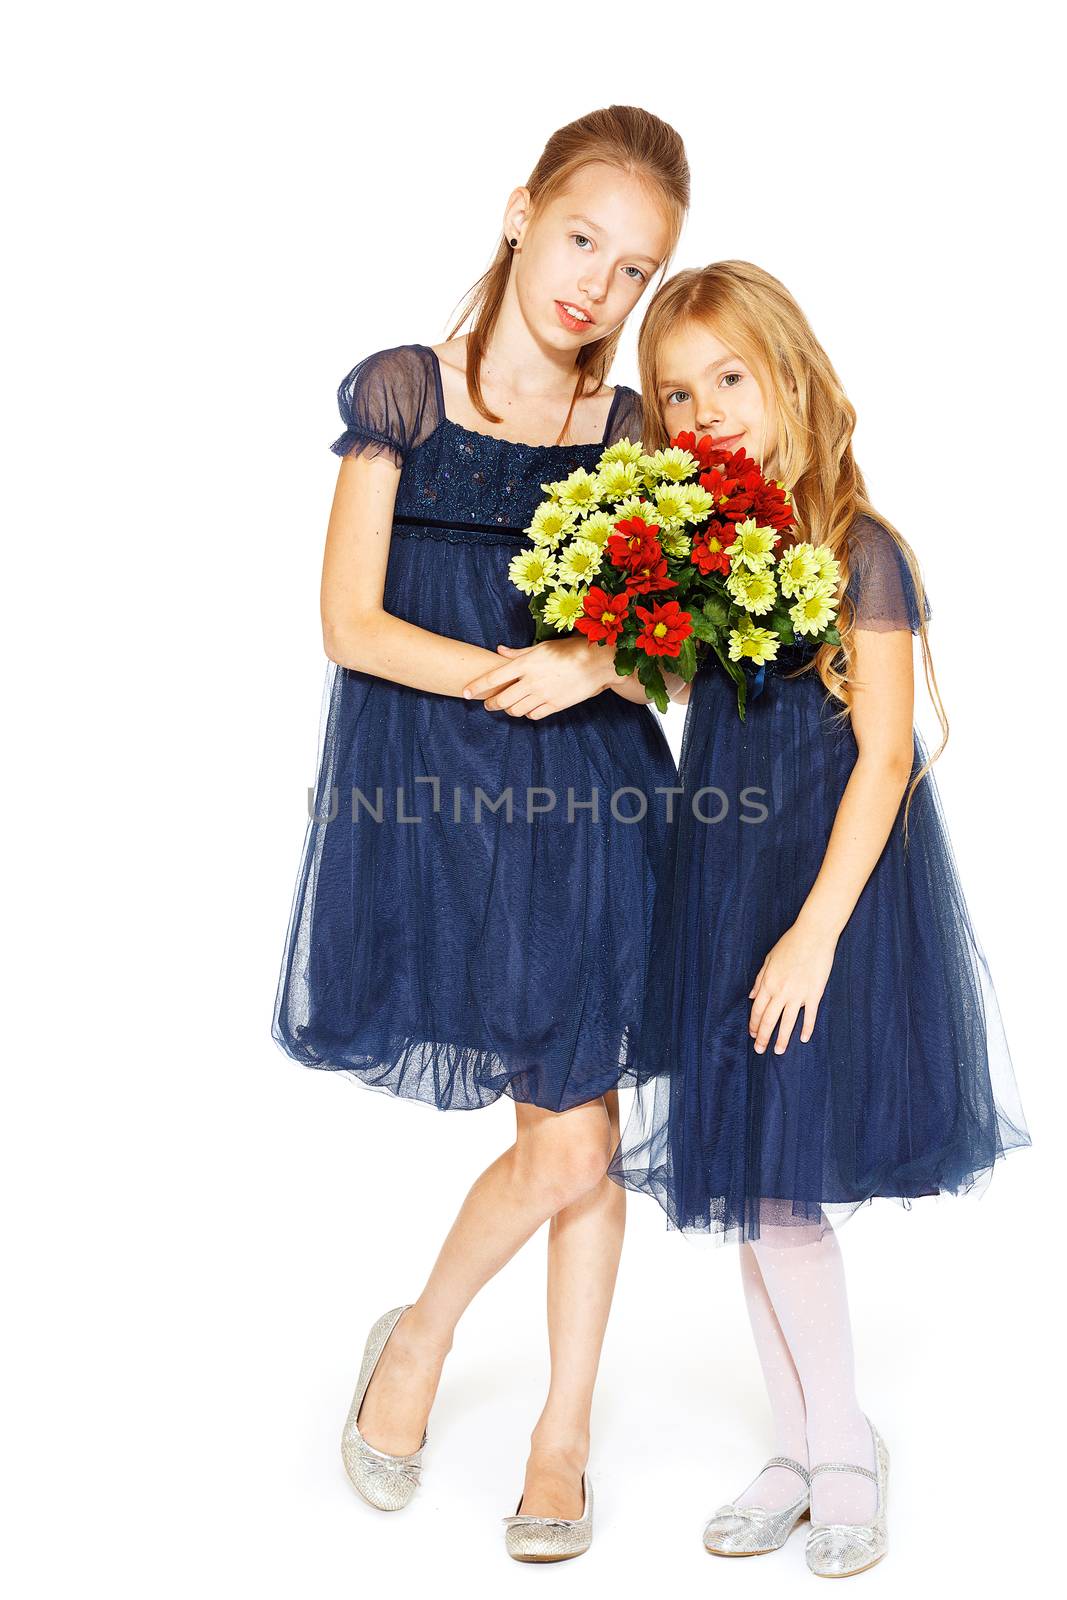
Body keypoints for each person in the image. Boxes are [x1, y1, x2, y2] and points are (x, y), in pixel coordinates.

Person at [271, 106, 688, 1561]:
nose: (598, 286)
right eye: (583, 240)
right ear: (521, 214)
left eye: (635, 271)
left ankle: (557, 1431)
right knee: (569, 1143)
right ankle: (426, 1335)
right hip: (439, 799)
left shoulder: (626, 430)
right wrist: (517, 677)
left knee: (581, 1136)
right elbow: (347, 621)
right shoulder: (406, 391)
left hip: (592, 804)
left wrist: (603, 667)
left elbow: (678, 649)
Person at [607, 260, 1031, 1578]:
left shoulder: (861, 550)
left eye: (730, 378)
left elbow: (888, 758)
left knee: (783, 1195)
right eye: (679, 394)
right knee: (749, 1184)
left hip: (827, 898)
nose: (704, 413)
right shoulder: (708, 546)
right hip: (726, 885)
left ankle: (845, 1447)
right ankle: (793, 1444)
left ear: (790, 378)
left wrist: (813, 933)